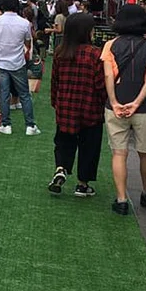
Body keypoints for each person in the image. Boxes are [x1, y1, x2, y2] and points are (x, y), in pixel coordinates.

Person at [101, 4, 146, 216]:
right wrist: (136, 103)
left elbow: (108, 75)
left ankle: (121, 199)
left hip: (116, 106)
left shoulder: (110, 45)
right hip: (144, 107)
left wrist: (114, 101)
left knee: (119, 153)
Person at [48, 13, 106, 197]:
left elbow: (55, 81)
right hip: (90, 107)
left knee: (63, 141)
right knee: (89, 146)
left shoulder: (60, 52)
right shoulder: (95, 54)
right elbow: (100, 84)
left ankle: (61, 168)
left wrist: (56, 102)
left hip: (66, 106)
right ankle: (82, 184)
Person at [0, 0, 40, 136]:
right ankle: (30, 125)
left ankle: (6, 124)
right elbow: (28, 42)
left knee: (3, 94)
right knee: (24, 94)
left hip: (1, 62)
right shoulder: (24, 23)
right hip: (18, 62)